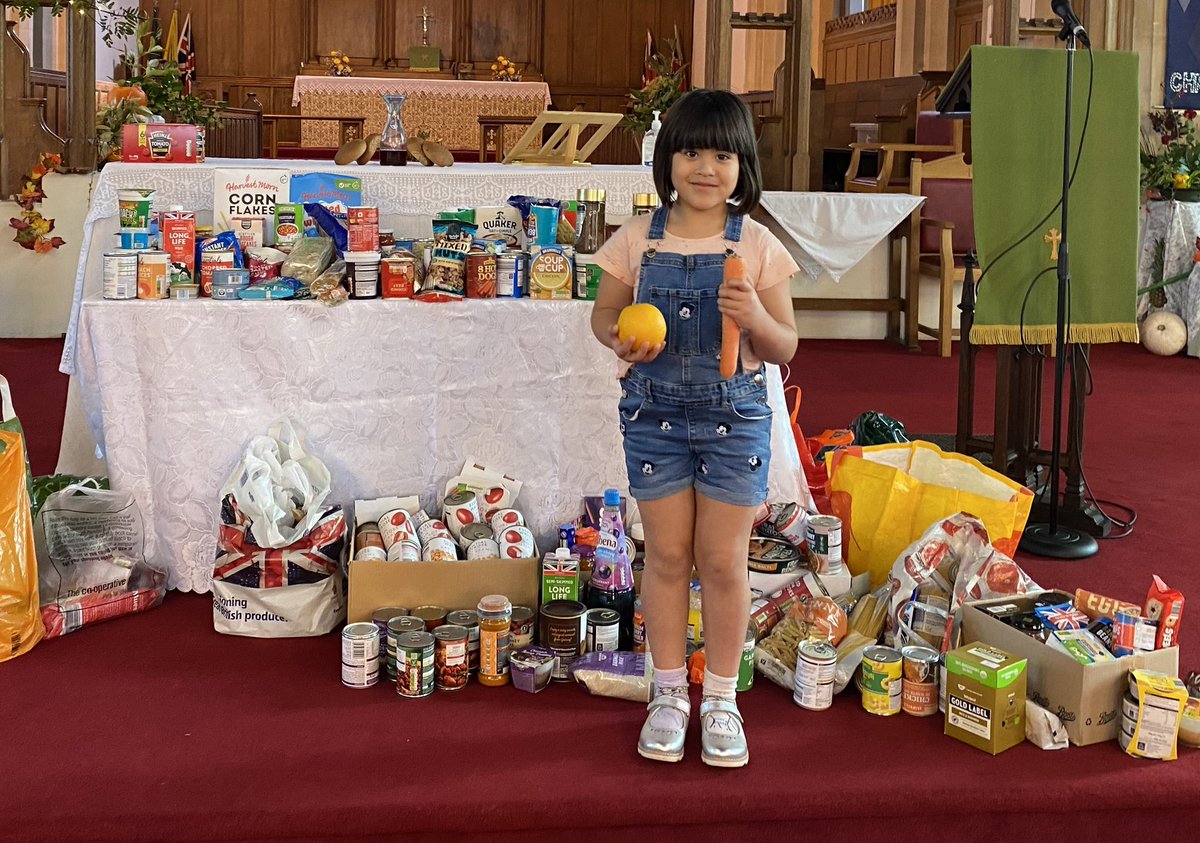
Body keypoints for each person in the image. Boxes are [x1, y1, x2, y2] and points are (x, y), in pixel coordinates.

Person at [590, 89, 800, 767]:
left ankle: (721, 697)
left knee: (723, 561)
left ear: (744, 164)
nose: (705, 167)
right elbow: (604, 316)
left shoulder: (759, 243)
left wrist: (756, 317)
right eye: (689, 151)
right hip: (654, 417)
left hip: (735, 417)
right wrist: (622, 343)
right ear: (666, 159)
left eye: (721, 153)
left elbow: (784, 346)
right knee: (670, 557)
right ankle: (669, 691)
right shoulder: (637, 238)